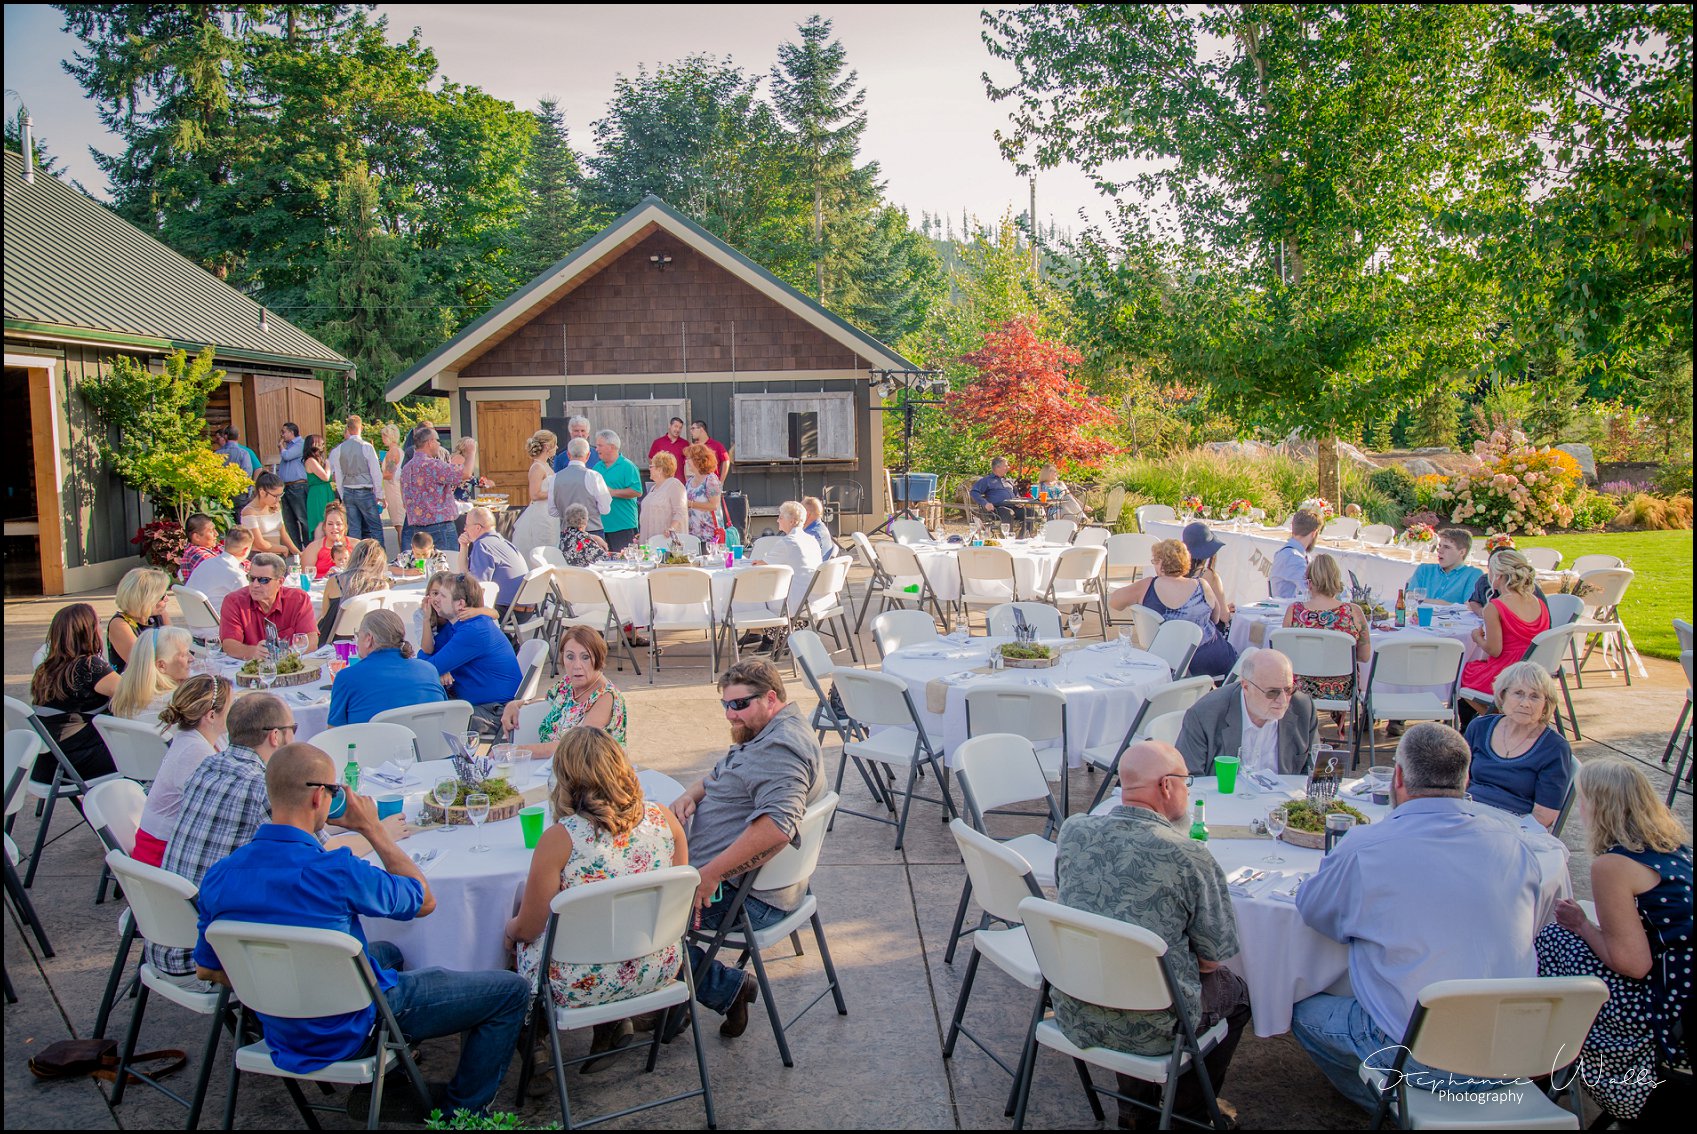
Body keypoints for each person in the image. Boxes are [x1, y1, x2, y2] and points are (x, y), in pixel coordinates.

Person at [191, 742, 531, 1115]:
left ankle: (393, 1088)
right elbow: (423, 900)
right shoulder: (337, 870)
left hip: (281, 1027)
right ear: (320, 797)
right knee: (511, 990)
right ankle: (463, 1111)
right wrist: (373, 830)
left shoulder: (220, 875)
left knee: (388, 952)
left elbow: (208, 969)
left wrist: (278, 985)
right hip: (354, 1025)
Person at [1292, 722, 1555, 1114]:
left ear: (1397, 776)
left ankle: (1397, 1108)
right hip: (1514, 1052)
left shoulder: (1368, 846)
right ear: (1466, 778)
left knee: (1299, 1009)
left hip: (1420, 1056)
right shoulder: (1513, 841)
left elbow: (1313, 910)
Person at [1056, 740, 1251, 1128]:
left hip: (1075, 1005)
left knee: (1129, 971)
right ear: (1166, 786)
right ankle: (1186, 1117)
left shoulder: (1073, 830)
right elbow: (1212, 959)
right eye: (1186, 781)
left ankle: (1135, 1112)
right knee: (1238, 994)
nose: (1187, 789)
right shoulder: (1190, 857)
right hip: (1156, 1027)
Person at [507, 726, 689, 1066]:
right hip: (658, 968)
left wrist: (508, 932)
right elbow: (676, 906)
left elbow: (529, 928)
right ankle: (612, 1025)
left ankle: (535, 1047)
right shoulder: (665, 819)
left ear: (566, 778)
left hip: (580, 983)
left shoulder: (561, 839)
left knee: (514, 946)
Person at [669, 661, 826, 1036]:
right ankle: (668, 1001)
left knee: (629, 920)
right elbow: (731, 768)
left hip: (743, 900)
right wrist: (694, 793)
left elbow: (776, 828)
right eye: (725, 705)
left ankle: (721, 988)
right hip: (736, 886)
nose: (730, 714)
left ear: (771, 697)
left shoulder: (781, 749)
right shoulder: (770, 729)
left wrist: (710, 875)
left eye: (739, 705)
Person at [1535, 758, 1692, 1124]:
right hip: (1684, 997)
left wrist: (1582, 926)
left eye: (1585, 800)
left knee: (1553, 941)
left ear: (1600, 806)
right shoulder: (1675, 847)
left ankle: (1542, 1062)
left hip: (1661, 1011)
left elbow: (1634, 965)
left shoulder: (1613, 865)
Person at [133, 674, 232, 867]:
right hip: (161, 854)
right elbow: (219, 811)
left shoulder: (205, 737)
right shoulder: (194, 752)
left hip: (175, 842)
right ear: (211, 715)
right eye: (231, 705)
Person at [1463, 660, 1573, 828]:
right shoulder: (1480, 727)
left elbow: (1544, 816)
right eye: (1518, 693)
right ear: (1502, 695)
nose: (1525, 703)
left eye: (1535, 696)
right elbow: (1458, 781)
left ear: (1545, 706)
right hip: (1468, 814)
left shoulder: (1554, 748)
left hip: (1514, 824)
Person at [1176, 647, 1319, 776]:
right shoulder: (1205, 715)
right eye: (1272, 692)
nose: (1283, 700)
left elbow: (1314, 770)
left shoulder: (1303, 708)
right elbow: (1188, 778)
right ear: (1246, 687)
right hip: (1225, 801)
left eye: (1288, 689)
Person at [1107, 539, 1237, 679]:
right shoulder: (1202, 585)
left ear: (1161, 563)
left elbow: (1115, 602)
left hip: (1168, 661)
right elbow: (1216, 619)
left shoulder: (1147, 586)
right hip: (1211, 658)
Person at [418, 572, 522, 737]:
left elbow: (427, 669)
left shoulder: (474, 630)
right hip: (480, 704)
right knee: (424, 711)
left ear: (460, 604)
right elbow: (427, 658)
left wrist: (439, 666)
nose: (436, 600)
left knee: (427, 722)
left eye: (443, 596)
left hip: (496, 711)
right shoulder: (458, 626)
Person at [26, 603, 120, 784]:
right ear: (88, 631)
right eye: (98, 623)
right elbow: (135, 694)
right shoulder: (89, 666)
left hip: (49, 765)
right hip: (75, 764)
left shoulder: (46, 668)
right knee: (150, 751)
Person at [1282, 552, 1371, 731]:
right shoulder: (1353, 612)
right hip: (1341, 689)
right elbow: (1364, 656)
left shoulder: (1295, 611)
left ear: (1310, 581)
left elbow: (1285, 656)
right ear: (1336, 580)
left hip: (1301, 688)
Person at [502, 627, 628, 750]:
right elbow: (548, 704)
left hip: (590, 768)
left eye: (585, 657)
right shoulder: (567, 683)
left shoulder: (606, 696)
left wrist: (518, 751)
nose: (577, 665)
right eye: (570, 657)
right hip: (553, 765)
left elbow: (575, 746)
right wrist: (516, 704)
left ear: (598, 658)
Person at [1460, 549, 1550, 718]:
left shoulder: (1495, 606)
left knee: (1463, 674)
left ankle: (1500, 718)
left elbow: (1494, 650)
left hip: (1507, 673)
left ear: (1499, 576)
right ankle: (1505, 716)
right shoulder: (1538, 602)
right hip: (1533, 669)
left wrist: (1477, 638)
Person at [327, 609, 447, 727]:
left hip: (372, 745)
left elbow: (333, 734)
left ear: (369, 639)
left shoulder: (347, 677)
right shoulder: (428, 670)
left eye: (359, 636)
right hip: (429, 744)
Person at [745, 500, 820, 646]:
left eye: (780, 517)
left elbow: (761, 565)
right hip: (813, 598)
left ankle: (763, 636)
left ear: (792, 521)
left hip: (795, 602)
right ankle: (766, 637)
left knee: (751, 591)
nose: (777, 520)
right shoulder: (811, 540)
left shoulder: (788, 542)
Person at [218, 552, 317, 660]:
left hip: (289, 666)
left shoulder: (298, 599)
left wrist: (288, 653)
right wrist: (254, 652)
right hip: (250, 668)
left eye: (263, 580)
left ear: (280, 582)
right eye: (251, 578)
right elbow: (229, 645)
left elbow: (311, 640)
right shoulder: (234, 601)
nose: (255, 585)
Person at [399, 424, 463, 554]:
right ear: (430, 443)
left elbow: (404, 497)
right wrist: (471, 451)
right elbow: (463, 474)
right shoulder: (432, 465)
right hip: (441, 526)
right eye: (437, 440)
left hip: (418, 528)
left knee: (426, 567)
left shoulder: (406, 469)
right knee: (448, 567)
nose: (439, 444)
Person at [110, 625, 194, 721]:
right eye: (184, 654)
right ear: (161, 666)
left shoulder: (125, 692)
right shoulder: (179, 702)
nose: (192, 658)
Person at [317, 538, 389, 640]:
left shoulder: (335, 581)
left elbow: (325, 615)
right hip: (370, 640)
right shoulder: (382, 586)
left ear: (353, 557)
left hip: (334, 641)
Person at [457, 506, 528, 610]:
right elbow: (466, 575)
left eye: (467, 525)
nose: (464, 529)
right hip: (525, 610)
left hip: (508, 612)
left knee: (452, 607)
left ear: (477, 528)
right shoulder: (503, 542)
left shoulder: (482, 546)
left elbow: (474, 588)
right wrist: (464, 547)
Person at [329, 414, 385, 541]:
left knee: (354, 529)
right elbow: (375, 472)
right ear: (361, 428)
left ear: (348, 429)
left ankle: (356, 557)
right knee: (375, 527)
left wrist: (343, 494)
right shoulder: (366, 447)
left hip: (348, 489)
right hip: (365, 490)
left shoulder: (339, 449)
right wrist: (379, 494)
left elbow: (338, 475)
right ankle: (379, 556)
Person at [109, 566, 173, 673]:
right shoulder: (119, 624)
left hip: (163, 675)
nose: (167, 599)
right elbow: (142, 664)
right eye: (162, 596)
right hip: (137, 683)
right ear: (146, 599)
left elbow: (176, 646)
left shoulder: (159, 614)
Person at [509, 430, 560, 559]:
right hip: (541, 515)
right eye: (555, 444)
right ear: (547, 447)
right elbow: (535, 494)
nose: (557, 447)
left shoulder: (545, 465)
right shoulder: (537, 467)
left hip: (550, 513)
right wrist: (555, 493)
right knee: (542, 546)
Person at [550, 437, 611, 542]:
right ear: (588, 455)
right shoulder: (594, 476)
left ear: (568, 455)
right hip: (592, 532)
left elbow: (552, 511)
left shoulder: (555, 478)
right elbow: (605, 509)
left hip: (566, 534)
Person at [1404, 528, 1484, 605]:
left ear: (1462, 552)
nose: (1440, 551)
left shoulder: (1473, 574)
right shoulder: (1424, 569)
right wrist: (1442, 603)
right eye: (1440, 546)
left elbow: (1469, 606)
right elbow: (1410, 597)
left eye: (1447, 547)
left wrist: (1423, 600)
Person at [1467, 548, 1553, 618]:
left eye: (1490, 570)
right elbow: (1474, 601)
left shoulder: (1494, 608)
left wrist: (1477, 636)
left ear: (1498, 574)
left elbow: (1496, 639)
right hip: (1537, 639)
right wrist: (1480, 611)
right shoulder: (1537, 602)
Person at [595, 429, 643, 554]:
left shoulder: (628, 466)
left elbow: (637, 491)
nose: (596, 449)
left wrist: (613, 492)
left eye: (600, 445)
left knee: (625, 562)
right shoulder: (596, 467)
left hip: (623, 525)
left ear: (611, 447)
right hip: (601, 526)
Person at [186, 525, 252, 613]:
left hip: (194, 620)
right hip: (222, 623)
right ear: (245, 550)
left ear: (225, 543)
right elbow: (249, 606)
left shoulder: (204, 564)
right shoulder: (237, 575)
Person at [969, 457, 1039, 536]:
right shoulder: (987, 480)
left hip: (1013, 507)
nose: (1008, 468)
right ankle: (1008, 538)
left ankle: (1022, 538)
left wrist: (1018, 501)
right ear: (997, 467)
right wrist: (985, 503)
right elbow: (974, 492)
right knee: (1008, 512)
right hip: (997, 509)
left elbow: (1016, 494)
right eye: (1005, 466)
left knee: (1031, 513)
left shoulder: (1008, 480)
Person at [242, 470, 299, 559]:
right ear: (262, 492)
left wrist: (298, 553)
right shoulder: (249, 512)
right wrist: (283, 548)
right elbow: (259, 543)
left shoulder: (276, 507)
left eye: (281, 495)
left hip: (278, 555)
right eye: (276, 496)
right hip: (259, 557)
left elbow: (284, 534)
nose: (279, 499)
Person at [638, 451, 688, 545]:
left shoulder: (674, 484)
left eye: (651, 466)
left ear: (660, 469)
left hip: (665, 539)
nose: (649, 469)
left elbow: (680, 511)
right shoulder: (654, 487)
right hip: (650, 538)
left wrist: (672, 528)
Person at [1270, 509, 1323, 599]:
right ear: (1314, 533)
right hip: (1287, 609)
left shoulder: (1292, 553)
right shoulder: (1294, 557)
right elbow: (1311, 592)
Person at [276, 421, 310, 550]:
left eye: (284, 432)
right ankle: (296, 549)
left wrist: (280, 447)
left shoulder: (300, 444)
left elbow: (287, 456)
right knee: (289, 520)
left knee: (302, 518)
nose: (282, 435)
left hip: (298, 486)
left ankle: (307, 546)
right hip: (287, 487)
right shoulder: (289, 446)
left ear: (291, 432)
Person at [301, 500, 351, 580]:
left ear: (345, 526)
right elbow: (306, 577)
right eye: (330, 524)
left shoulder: (356, 545)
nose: (334, 528)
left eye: (338, 524)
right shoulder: (313, 548)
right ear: (324, 527)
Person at [682, 443, 723, 542]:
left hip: (710, 536)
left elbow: (714, 505)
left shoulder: (711, 479)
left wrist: (690, 504)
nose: (686, 461)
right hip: (692, 536)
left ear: (698, 460)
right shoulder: (689, 482)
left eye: (689, 458)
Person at [378, 422, 407, 541]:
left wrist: (376, 474)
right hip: (394, 489)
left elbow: (389, 474)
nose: (382, 439)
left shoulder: (392, 452)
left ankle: (403, 553)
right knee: (400, 525)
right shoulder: (398, 451)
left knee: (400, 526)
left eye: (384, 436)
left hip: (394, 490)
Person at [177, 513, 223, 584]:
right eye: (211, 531)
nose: (216, 534)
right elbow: (225, 570)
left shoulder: (211, 548)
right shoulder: (196, 553)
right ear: (197, 537)